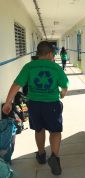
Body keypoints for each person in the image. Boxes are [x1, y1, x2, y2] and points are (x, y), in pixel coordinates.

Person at [2, 41, 69, 175]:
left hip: (34, 104)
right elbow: (64, 86)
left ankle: (41, 154)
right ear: (50, 53)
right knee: (55, 132)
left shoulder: (29, 67)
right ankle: (55, 157)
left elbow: (16, 84)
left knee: (39, 129)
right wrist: (62, 94)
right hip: (52, 105)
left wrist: (8, 102)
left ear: (38, 53)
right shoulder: (56, 68)